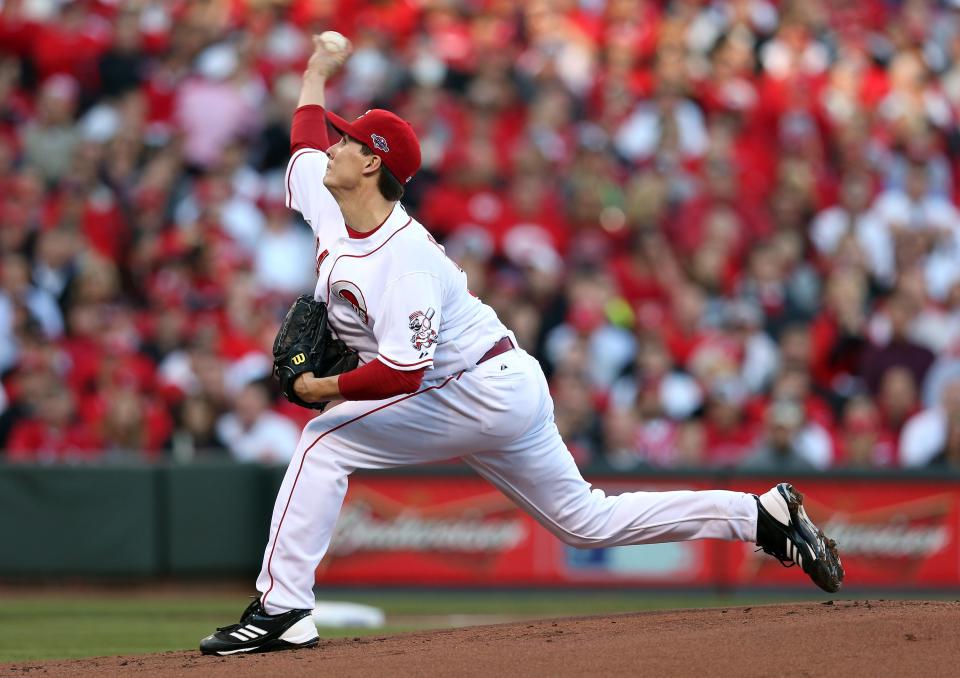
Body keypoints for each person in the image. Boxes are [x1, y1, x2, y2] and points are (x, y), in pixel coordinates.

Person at [199, 37, 844, 656]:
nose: (332, 145)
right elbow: (304, 137)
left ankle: (282, 611)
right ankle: (762, 516)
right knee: (587, 522)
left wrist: (322, 388)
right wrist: (316, 68)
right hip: (498, 382)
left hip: (472, 387)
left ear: (372, 163)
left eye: (348, 139)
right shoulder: (332, 198)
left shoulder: (407, 262)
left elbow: (402, 372)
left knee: (323, 440)